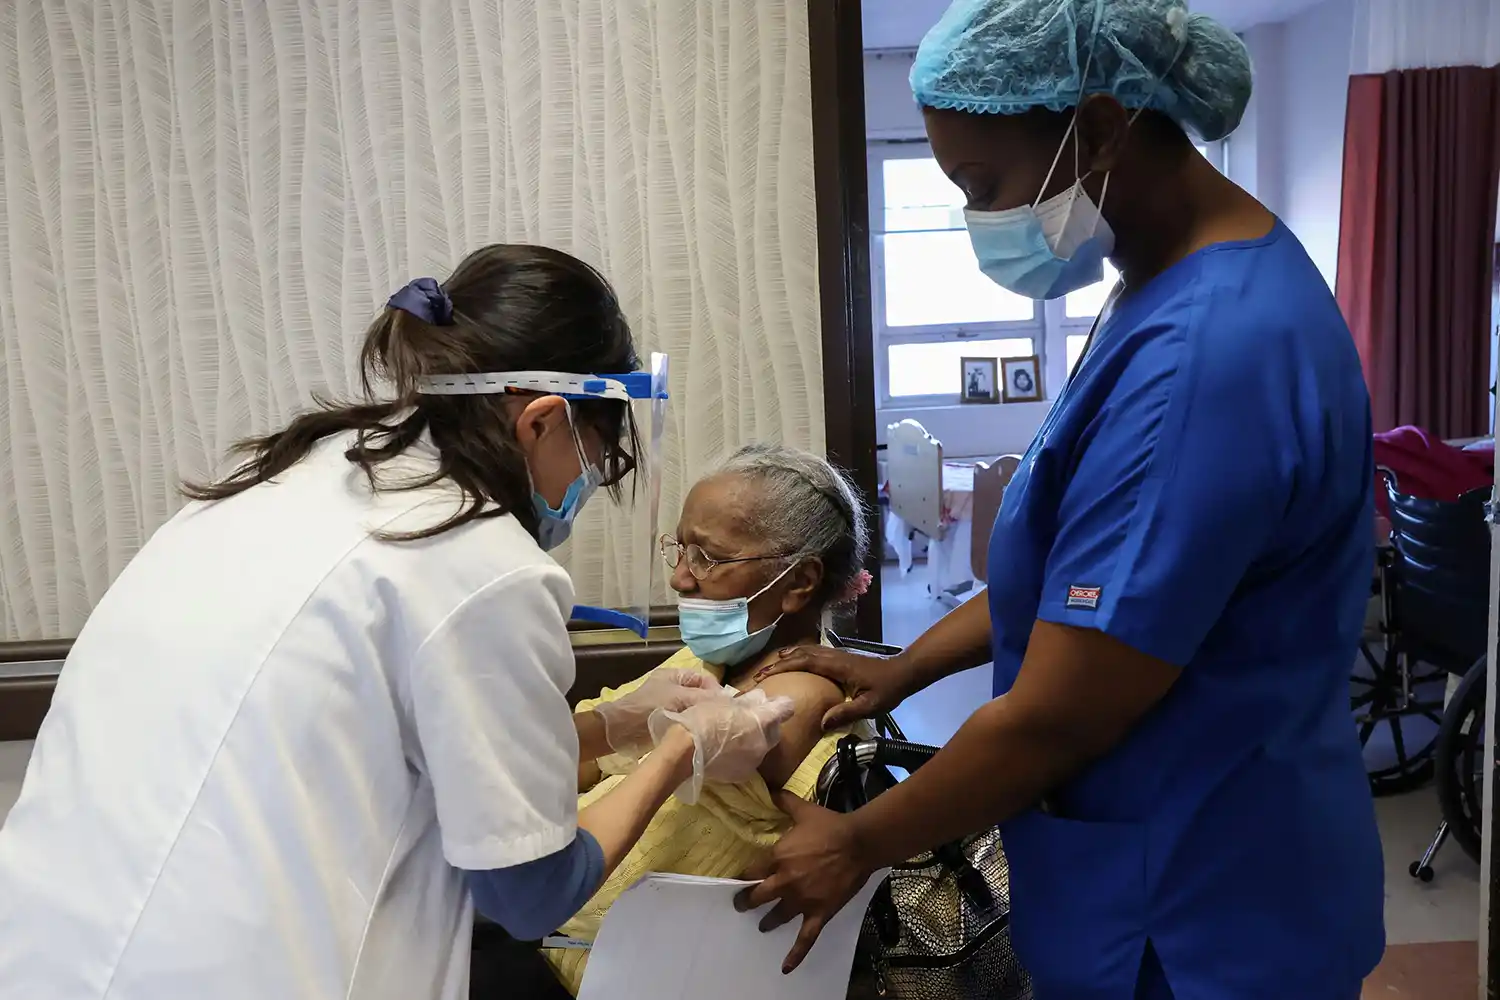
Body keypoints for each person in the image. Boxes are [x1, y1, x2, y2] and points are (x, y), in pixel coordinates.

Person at [738, 2, 1385, 998]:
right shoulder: (1161, 284)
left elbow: (1056, 718)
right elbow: (1082, 580)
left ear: (1098, 126)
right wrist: (902, 670)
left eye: (983, 184)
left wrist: (858, 841)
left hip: (1200, 913)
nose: (976, 218)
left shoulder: (1209, 359)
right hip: (1172, 871)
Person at [0, 244, 794, 1000]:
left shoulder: (283, 482)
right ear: (542, 420)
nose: (589, 480)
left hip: (53, 945)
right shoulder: (484, 569)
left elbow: (393, 734)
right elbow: (533, 892)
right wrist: (685, 749)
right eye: (593, 448)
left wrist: (619, 726)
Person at [533, 444, 874, 996]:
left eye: (709, 557)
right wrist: (620, 724)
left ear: (797, 583)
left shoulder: (804, 698)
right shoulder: (709, 661)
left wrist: (657, 747)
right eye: (681, 549)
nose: (681, 581)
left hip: (625, 975)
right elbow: (566, 767)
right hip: (555, 940)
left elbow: (581, 774)